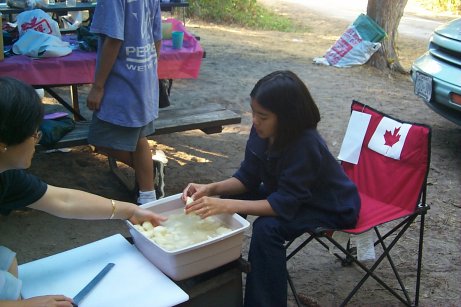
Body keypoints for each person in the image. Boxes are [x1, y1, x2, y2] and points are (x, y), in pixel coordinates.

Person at [182, 70, 361, 307]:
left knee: (267, 229)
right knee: (227, 196)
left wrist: (224, 204)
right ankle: (213, 272)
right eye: (253, 112)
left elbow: (284, 204)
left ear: (287, 117)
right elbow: (247, 178)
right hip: (292, 194)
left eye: (263, 116)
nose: (255, 121)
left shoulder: (306, 144)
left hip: (329, 205)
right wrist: (211, 188)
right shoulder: (261, 132)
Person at [0, 77, 166, 306]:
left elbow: (63, 200)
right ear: (3, 144)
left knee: (7, 263)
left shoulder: (5, 175)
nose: (37, 142)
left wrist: (129, 210)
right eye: (34, 134)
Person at [86, 0, 163, 204]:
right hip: (141, 79)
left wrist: (98, 86)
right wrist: (149, 72)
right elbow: (157, 38)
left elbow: (113, 40)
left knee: (99, 139)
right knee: (138, 138)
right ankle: (148, 196)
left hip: (121, 85)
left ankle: (148, 175)